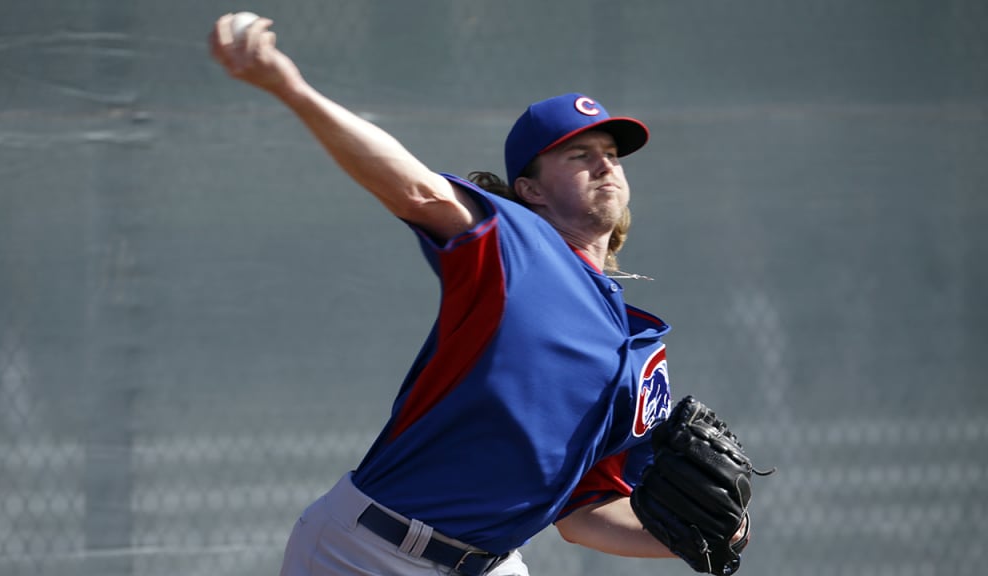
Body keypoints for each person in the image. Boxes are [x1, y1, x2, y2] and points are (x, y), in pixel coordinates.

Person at [209, 13, 705, 576]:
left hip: (491, 565)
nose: (605, 165)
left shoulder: (638, 348)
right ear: (530, 190)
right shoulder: (514, 250)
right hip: (370, 553)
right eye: (580, 155)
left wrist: (695, 536)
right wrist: (290, 88)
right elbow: (416, 190)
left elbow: (583, 514)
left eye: (612, 154)